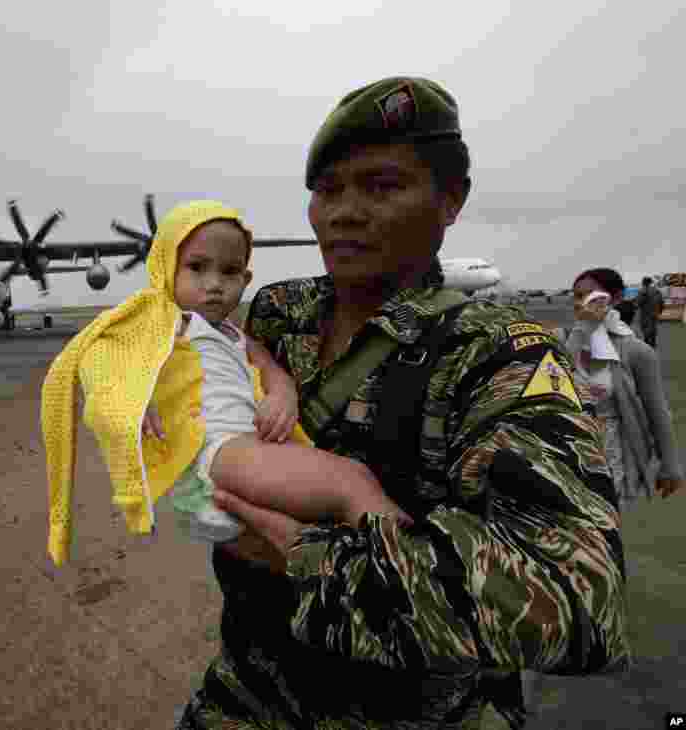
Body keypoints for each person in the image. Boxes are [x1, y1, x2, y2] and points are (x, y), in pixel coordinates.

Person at [177, 77, 630, 730]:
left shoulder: (501, 356)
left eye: (382, 186)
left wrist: (302, 553)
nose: (343, 212)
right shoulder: (278, 313)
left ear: (451, 200)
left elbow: (579, 602)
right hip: (248, 689)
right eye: (327, 190)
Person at [40, 200, 408, 567]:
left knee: (322, 519)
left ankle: (375, 568)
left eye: (230, 272)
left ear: (246, 280)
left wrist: (283, 395)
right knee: (350, 481)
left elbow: (270, 370)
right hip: (218, 452)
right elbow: (95, 353)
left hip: (245, 453)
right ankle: (410, 567)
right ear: (168, 267)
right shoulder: (166, 323)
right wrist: (129, 399)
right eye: (197, 268)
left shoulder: (235, 334)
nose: (214, 285)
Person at [554, 268, 684, 510]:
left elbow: (658, 412)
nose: (581, 302)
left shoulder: (636, 351)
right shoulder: (561, 340)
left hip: (610, 456)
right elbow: (555, 382)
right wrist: (582, 331)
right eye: (577, 296)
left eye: (590, 295)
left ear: (615, 298)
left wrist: (670, 466)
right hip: (562, 452)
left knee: (602, 536)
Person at [636, 276, 664, 348]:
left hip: (645, 313)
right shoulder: (657, 291)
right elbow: (661, 302)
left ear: (643, 283)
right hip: (655, 313)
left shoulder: (643, 291)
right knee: (653, 328)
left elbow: (639, 302)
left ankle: (647, 345)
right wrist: (660, 311)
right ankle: (653, 344)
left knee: (646, 329)